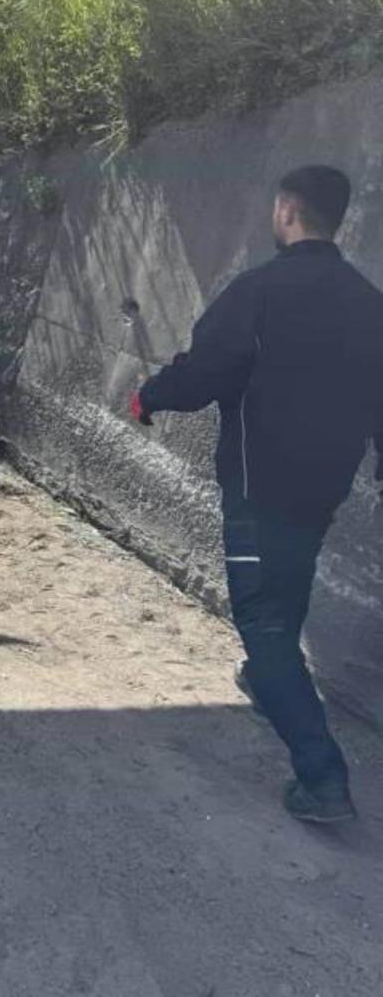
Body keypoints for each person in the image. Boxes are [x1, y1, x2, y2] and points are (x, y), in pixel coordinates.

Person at [131, 166, 383, 825]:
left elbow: (202, 370)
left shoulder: (261, 291)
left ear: (288, 211)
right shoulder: (369, 303)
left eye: (279, 208)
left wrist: (147, 395)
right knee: (286, 587)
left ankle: (323, 778)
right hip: (320, 492)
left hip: (256, 491)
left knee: (263, 622)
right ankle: (268, 676)